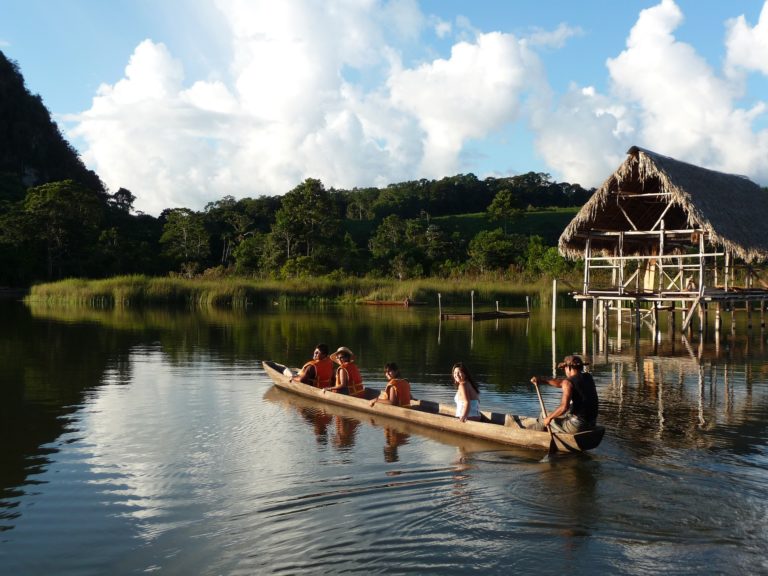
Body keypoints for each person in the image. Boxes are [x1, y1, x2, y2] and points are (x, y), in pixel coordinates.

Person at [528, 355, 599, 433]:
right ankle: (543, 428)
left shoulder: (568, 382)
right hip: (592, 423)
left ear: (568, 368)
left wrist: (549, 418)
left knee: (544, 416)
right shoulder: (588, 377)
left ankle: (530, 433)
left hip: (576, 425)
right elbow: (561, 383)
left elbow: (564, 407)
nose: (564, 371)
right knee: (566, 411)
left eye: (564, 368)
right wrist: (541, 380)